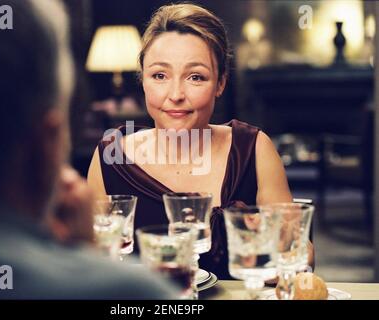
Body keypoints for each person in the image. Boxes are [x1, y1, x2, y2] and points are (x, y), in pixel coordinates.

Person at [0, 0, 177, 299]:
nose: (175, 95)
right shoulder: (130, 293)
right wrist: (88, 264)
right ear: (46, 144)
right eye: (159, 75)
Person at [88, 3, 314, 279]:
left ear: (220, 83)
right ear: (143, 80)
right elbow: (87, 262)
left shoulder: (253, 148)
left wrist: (276, 245)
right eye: (159, 75)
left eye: (196, 77)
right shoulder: (112, 155)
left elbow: (300, 250)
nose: (175, 94)